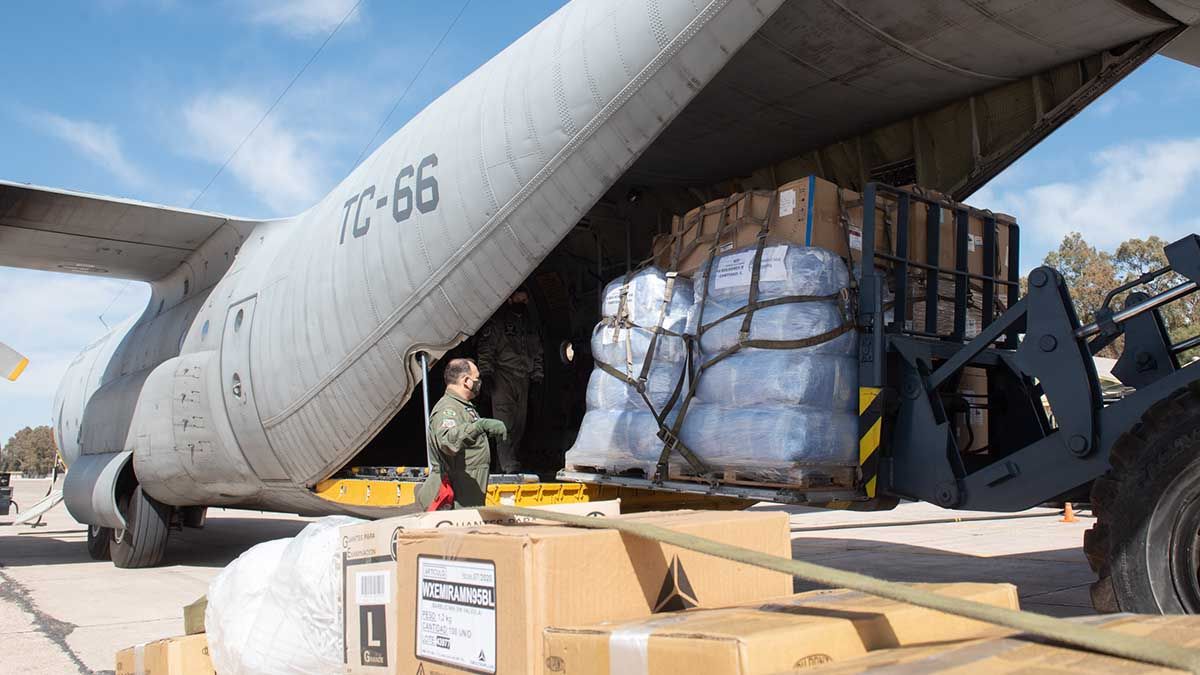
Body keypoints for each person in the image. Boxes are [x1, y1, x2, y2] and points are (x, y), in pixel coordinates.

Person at [416, 358, 507, 509]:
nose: (479, 383)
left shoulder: (463, 407)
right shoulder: (448, 409)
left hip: (468, 495)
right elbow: (447, 441)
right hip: (457, 499)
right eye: (476, 378)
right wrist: (479, 426)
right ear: (466, 381)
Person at [477, 289, 544, 473]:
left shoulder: (530, 325)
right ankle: (508, 464)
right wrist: (486, 374)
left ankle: (503, 466)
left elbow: (537, 352)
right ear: (510, 299)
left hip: (523, 379)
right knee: (504, 422)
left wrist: (537, 377)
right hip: (503, 376)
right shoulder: (498, 323)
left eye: (525, 299)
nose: (523, 302)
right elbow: (486, 349)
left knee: (519, 424)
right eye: (519, 298)